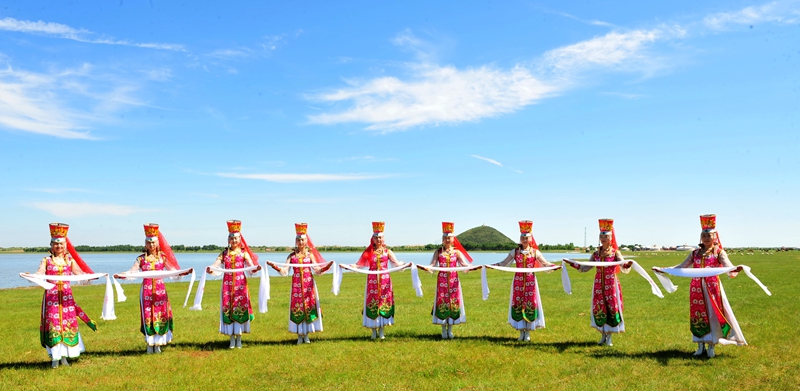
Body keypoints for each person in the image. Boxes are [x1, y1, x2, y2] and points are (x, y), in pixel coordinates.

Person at [659, 214, 745, 358]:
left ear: (715, 237)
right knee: (698, 315)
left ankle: (711, 345)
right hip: (696, 288)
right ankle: (700, 345)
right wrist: (664, 269)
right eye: (703, 235)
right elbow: (682, 267)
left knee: (713, 314)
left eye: (709, 235)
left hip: (713, 288)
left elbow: (728, 267)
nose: (706, 238)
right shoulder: (695, 253)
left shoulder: (719, 253)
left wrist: (736, 269)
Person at [34, 223, 97, 368]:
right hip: (51, 298)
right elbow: (40, 272)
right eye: (56, 244)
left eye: (61, 244)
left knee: (67, 325)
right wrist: (32, 276)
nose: (59, 247)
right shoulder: (46, 260)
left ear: (65, 245)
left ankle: (65, 357)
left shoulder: (70, 260)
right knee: (54, 326)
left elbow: (79, 274)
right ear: (51, 245)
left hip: (67, 298)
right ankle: (55, 358)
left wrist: (92, 276)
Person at [118, 224, 182, 354]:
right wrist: (123, 275)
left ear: (157, 243)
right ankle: (149, 343)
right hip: (146, 291)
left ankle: (158, 343)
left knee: (160, 314)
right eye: (149, 242)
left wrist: (181, 273)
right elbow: (133, 271)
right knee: (148, 315)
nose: (151, 245)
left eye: (153, 242)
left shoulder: (162, 257)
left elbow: (172, 270)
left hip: (160, 291)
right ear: (145, 244)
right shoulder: (141, 259)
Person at [567, 219, 631, 346]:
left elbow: (623, 265)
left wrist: (627, 265)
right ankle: (603, 335)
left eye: (605, 236)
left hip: (611, 284)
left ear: (610, 238)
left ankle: (610, 337)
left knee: (611, 308)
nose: (603, 238)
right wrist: (573, 264)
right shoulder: (596, 254)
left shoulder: (615, 253)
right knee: (600, 308)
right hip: (598, 285)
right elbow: (586, 267)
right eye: (601, 236)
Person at [492, 220, 557, 342]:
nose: (524, 240)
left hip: (530, 282)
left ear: (531, 238)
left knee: (529, 304)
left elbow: (545, 263)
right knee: (518, 303)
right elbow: (504, 263)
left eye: (527, 237)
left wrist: (554, 266)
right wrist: (493, 265)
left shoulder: (535, 252)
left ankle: (527, 332)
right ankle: (521, 331)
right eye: (522, 237)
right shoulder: (515, 252)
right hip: (518, 282)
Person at [269, 223, 331, 345]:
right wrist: (275, 267)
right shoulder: (292, 256)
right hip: (296, 286)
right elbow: (285, 271)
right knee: (298, 308)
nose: (301, 242)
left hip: (308, 286)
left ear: (306, 241)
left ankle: (306, 334)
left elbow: (317, 270)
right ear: (296, 241)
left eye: (303, 240)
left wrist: (326, 267)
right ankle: (299, 335)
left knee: (308, 307)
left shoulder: (310, 255)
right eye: (299, 240)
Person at [207, 220, 259, 349]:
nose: (234, 240)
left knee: (240, 308)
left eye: (236, 238)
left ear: (240, 239)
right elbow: (216, 264)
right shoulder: (224, 254)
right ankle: (231, 338)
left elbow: (250, 266)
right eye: (232, 238)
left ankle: (239, 338)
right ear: (228, 239)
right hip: (227, 286)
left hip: (241, 285)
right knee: (228, 309)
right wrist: (211, 269)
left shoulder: (244, 253)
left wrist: (255, 269)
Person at [353, 222, 406, 340]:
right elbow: (358, 265)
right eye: (376, 237)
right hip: (371, 282)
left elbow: (396, 264)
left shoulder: (388, 252)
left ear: (383, 238)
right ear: (373, 238)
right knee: (372, 302)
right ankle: (373, 330)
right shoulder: (368, 252)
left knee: (383, 303)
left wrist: (405, 265)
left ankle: (382, 330)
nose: (378, 239)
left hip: (384, 282)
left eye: (380, 237)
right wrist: (347, 267)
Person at [422, 222, 473, 339]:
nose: (447, 240)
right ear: (442, 239)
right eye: (445, 238)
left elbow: (464, 265)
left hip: (454, 282)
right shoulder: (438, 252)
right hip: (442, 282)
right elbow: (432, 266)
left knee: (453, 304)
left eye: (449, 238)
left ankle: (450, 329)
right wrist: (426, 268)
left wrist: (470, 268)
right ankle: (443, 329)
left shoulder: (457, 253)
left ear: (453, 239)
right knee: (442, 303)